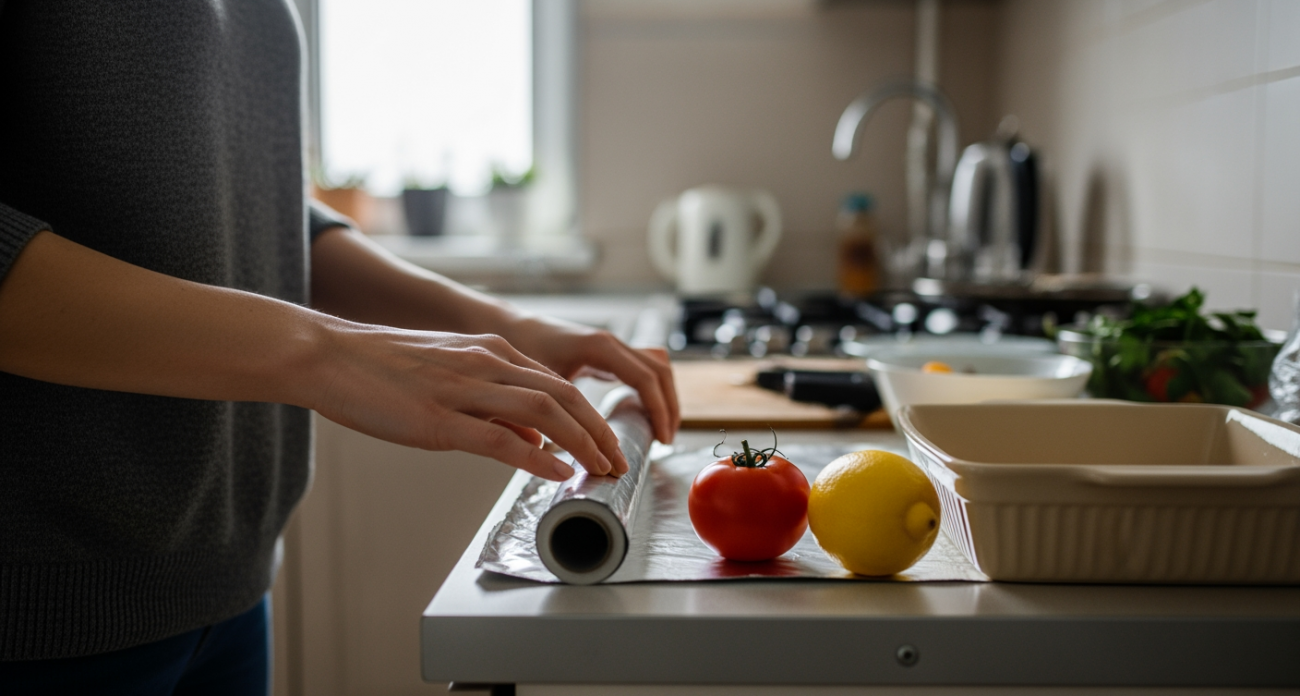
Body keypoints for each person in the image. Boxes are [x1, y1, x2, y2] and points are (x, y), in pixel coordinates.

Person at [0, 1, 679, 692]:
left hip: (225, 589)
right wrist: (329, 354)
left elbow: (258, 208)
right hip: (36, 617)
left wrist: (504, 326)